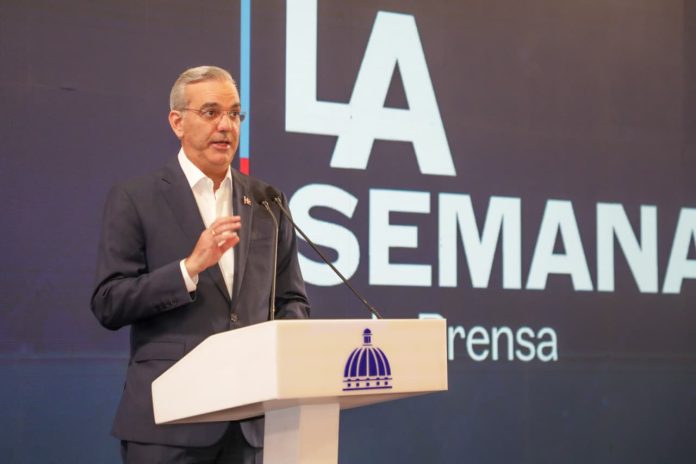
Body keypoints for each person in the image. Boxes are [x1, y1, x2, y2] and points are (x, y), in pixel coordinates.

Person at [91, 65, 310, 463]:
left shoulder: (267, 201)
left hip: (250, 424)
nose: (226, 126)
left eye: (234, 114)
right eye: (211, 112)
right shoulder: (136, 198)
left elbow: (291, 299)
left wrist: (282, 342)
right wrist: (188, 269)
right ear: (177, 122)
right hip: (169, 424)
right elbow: (109, 301)